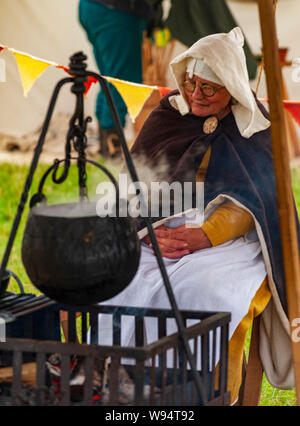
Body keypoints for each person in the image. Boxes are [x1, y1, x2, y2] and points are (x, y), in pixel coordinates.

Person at [96, 27, 297, 404]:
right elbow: (137, 185)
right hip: (158, 233)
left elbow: (260, 200)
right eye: (190, 83)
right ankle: (113, 385)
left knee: (205, 294)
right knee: (118, 279)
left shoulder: (255, 127)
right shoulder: (170, 114)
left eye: (208, 89)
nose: (194, 94)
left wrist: (205, 235)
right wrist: (149, 231)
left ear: (233, 88)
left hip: (233, 240)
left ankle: (200, 396)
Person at [78, 0, 161, 158]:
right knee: (122, 81)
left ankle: (106, 145)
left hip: (95, 8)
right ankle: (112, 149)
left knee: (110, 78)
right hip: (116, 11)